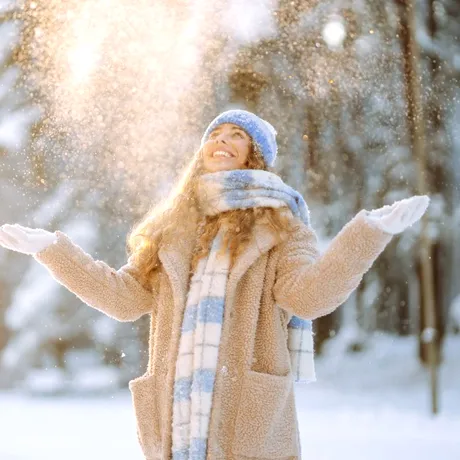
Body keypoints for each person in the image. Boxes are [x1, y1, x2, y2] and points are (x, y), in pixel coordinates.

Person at [0, 109, 429, 460]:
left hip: (245, 425)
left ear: (255, 155)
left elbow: (309, 295)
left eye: (237, 135)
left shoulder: (280, 226)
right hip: (178, 421)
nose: (222, 139)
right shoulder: (174, 229)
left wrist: (369, 234)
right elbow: (122, 297)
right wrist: (52, 250)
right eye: (215, 133)